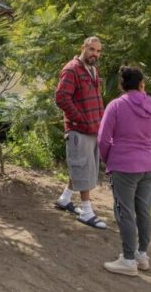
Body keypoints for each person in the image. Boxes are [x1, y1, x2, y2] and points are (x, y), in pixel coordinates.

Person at [98, 66, 151, 276]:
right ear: (142, 84)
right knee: (143, 211)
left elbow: (103, 139)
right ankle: (141, 255)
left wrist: (110, 160)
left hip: (124, 165)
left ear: (122, 85)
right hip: (149, 164)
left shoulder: (116, 105)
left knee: (124, 211)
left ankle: (128, 260)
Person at [54, 36, 107, 229]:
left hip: (94, 128)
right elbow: (61, 98)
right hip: (79, 129)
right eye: (92, 49)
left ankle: (64, 199)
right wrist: (79, 118)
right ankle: (86, 212)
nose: (95, 54)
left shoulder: (94, 70)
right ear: (83, 48)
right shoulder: (71, 69)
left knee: (84, 166)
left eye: (98, 51)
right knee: (84, 167)